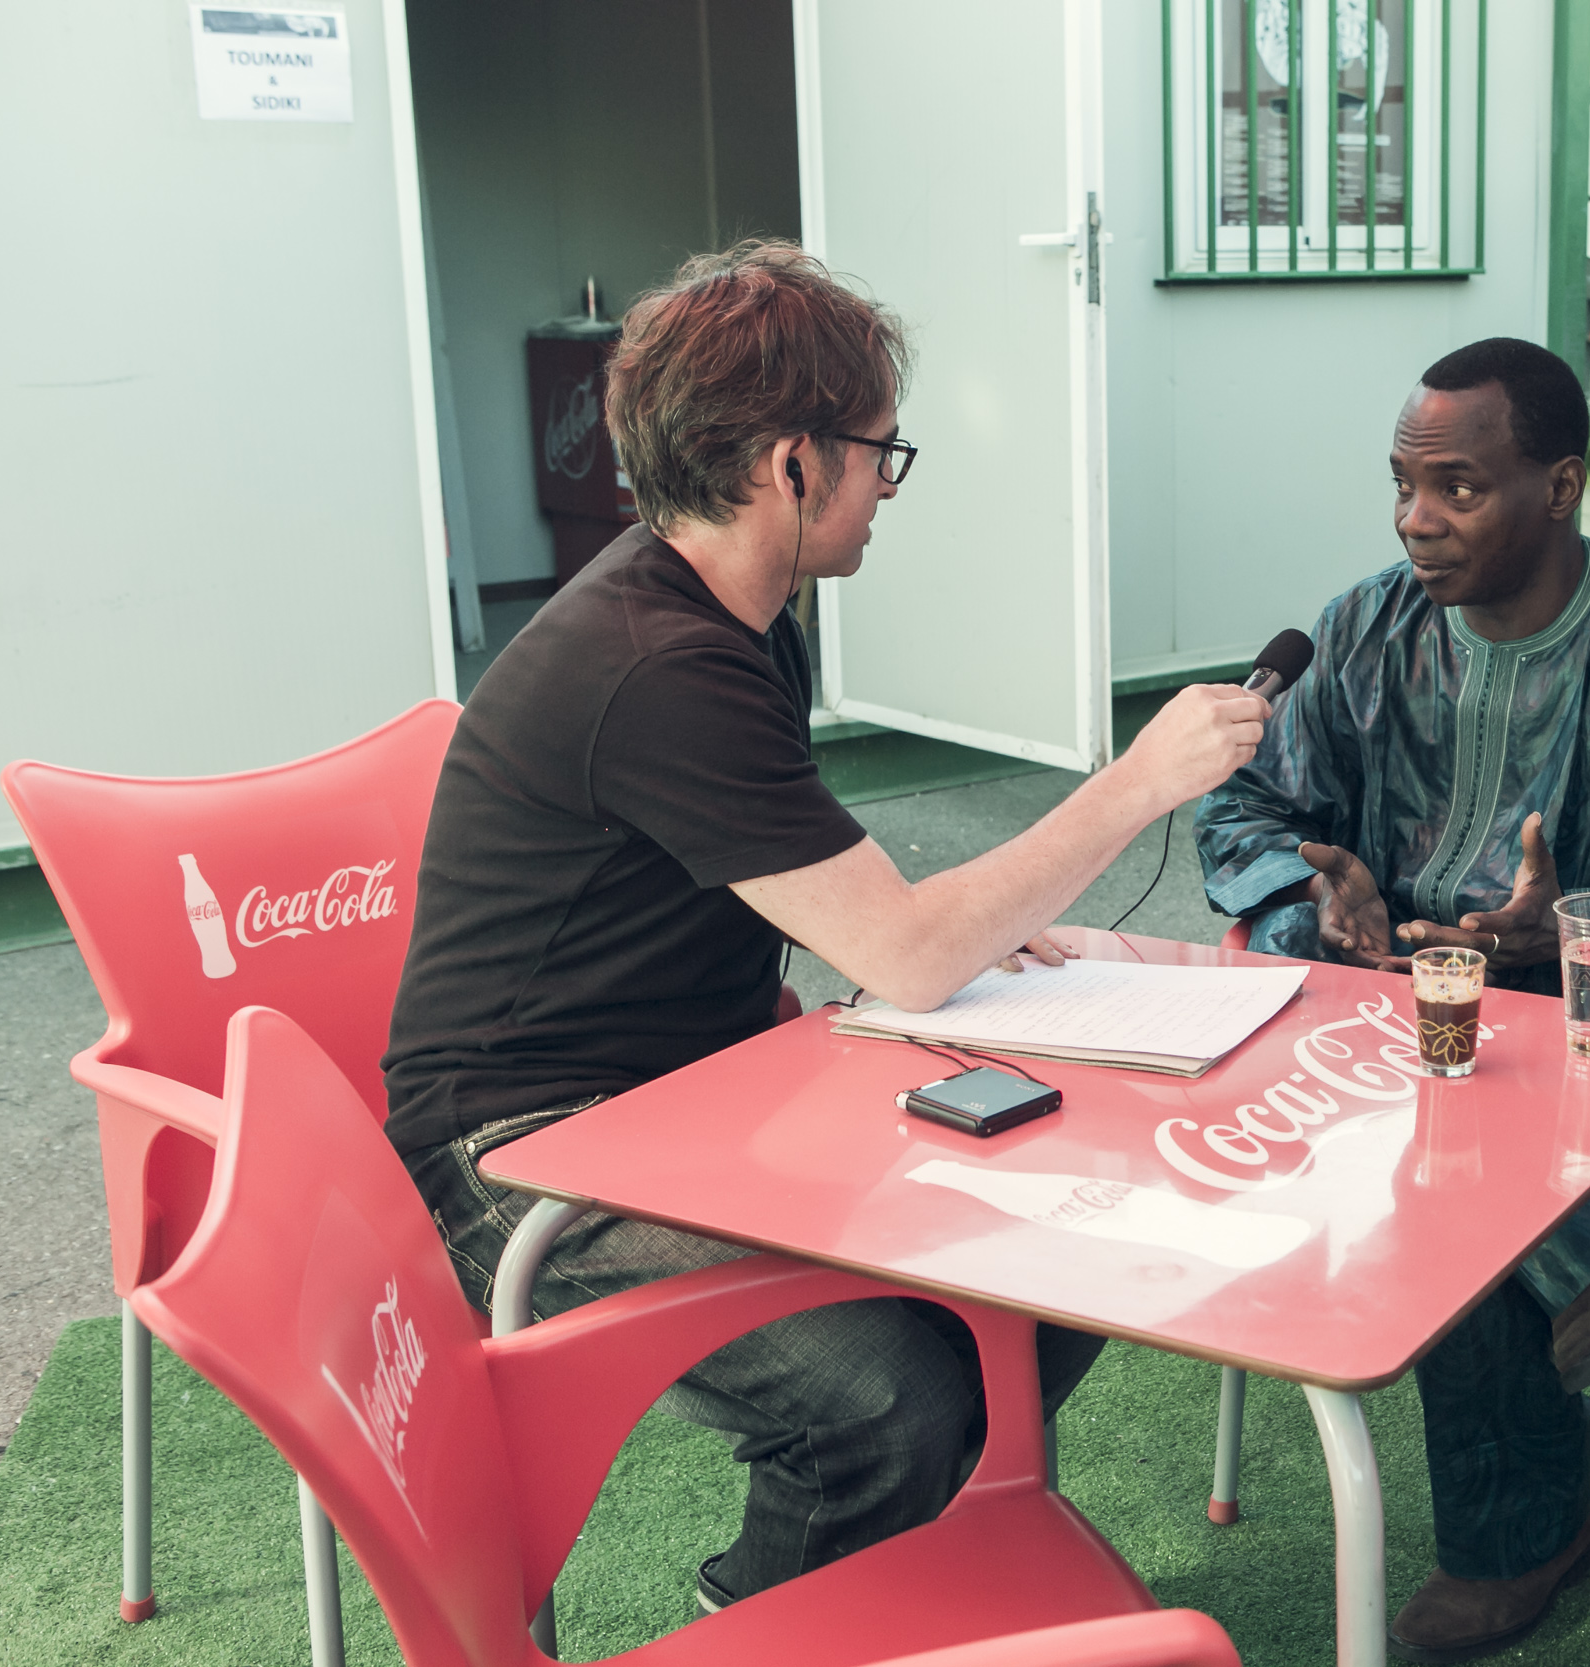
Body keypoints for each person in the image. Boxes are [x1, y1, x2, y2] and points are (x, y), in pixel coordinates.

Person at [381, 241, 1268, 1611]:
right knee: (890, 1395)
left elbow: (833, 891)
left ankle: (878, 1577)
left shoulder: (735, 608)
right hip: (518, 1154)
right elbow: (903, 956)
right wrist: (1134, 784)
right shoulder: (660, 661)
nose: (887, 489)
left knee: (1047, 1273)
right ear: (791, 463)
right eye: (881, 456)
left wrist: (964, 918)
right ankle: (773, 1617)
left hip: (696, 1095)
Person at [1196, 337, 1590, 1662]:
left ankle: (1522, 1533)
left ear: (1561, 486)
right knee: (1253, 1128)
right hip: (1382, 1025)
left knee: (1465, 1184)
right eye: (1403, 484)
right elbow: (1247, 809)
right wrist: (1322, 889)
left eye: (1459, 489)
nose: (1415, 521)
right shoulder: (1368, 628)